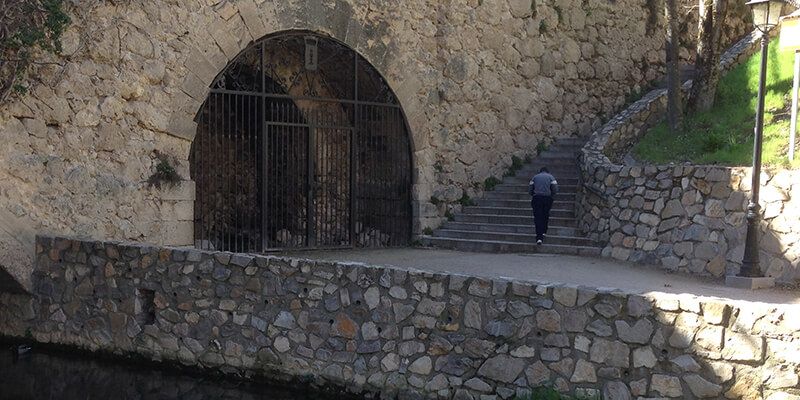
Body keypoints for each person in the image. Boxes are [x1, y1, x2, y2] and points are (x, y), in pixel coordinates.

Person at [528, 167, 558, 245]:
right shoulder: (551, 177)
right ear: (547, 172)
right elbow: (555, 189)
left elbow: (530, 189)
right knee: (545, 214)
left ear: (540, 171)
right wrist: (551, 195)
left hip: (537, 198)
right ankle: (544, 231)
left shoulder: (535, 177)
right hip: (547, 198)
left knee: (538, 217)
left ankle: (539, 237)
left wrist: (533, 194)